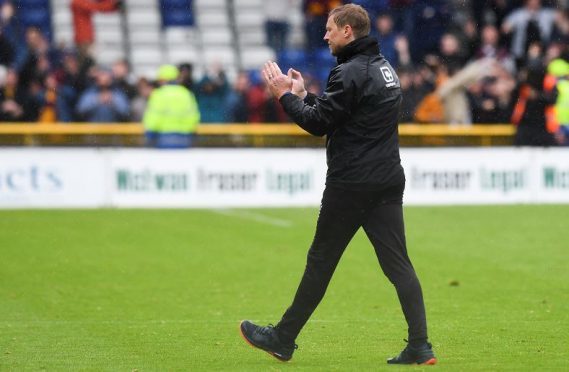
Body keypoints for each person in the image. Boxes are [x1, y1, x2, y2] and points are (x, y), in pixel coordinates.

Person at [239, 4, 436, 365]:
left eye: (330, 28)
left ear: (348, 31)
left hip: (351, 184)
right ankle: (420, 345)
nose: (325, 35)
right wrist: (303, 97)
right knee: (398, 265)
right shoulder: (384, 67)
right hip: (387, 178)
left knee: (320, 262)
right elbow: (346, 115)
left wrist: (284, 97)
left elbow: (319, 124)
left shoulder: (348, 71)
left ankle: (283, 338)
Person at [142, 64, 200, 148]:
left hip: (163, 137)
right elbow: (194, 117)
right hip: (185, 138)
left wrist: (150, 135)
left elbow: (153, 118)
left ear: (163, 79)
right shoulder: (186, 94)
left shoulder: (158, 94)